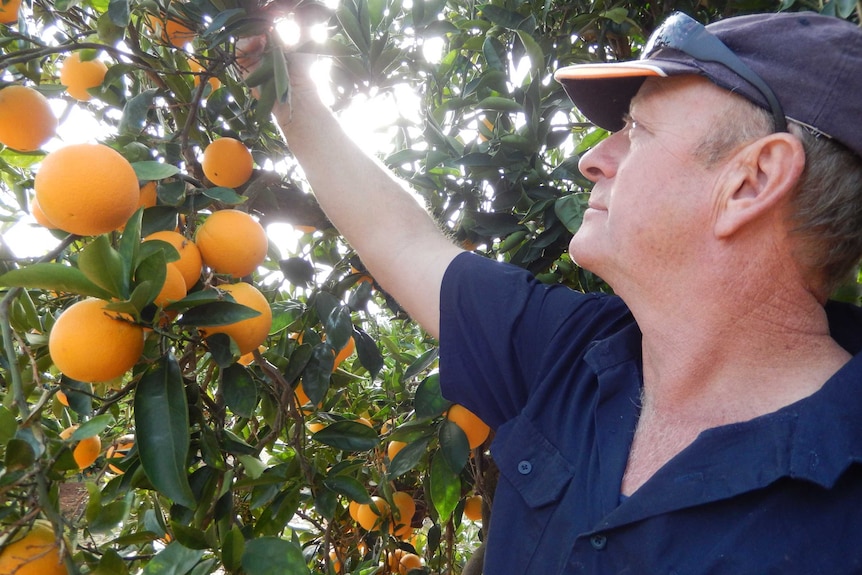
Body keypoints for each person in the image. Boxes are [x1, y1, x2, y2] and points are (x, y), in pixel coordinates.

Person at [240, 10, 862, 573]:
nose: (594, 159)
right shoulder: (571, 353)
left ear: (751, 182)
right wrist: (288, 93)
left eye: (638, 129)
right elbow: (402, 241)